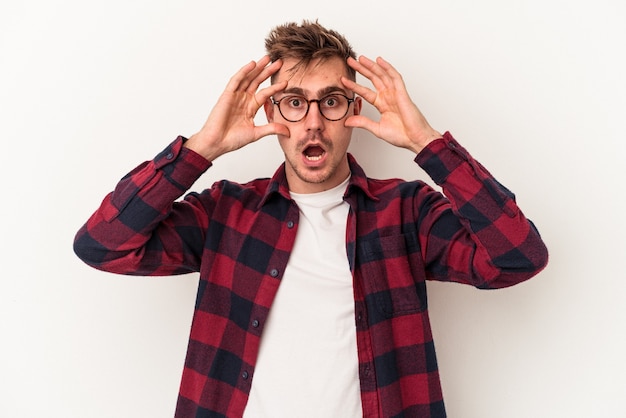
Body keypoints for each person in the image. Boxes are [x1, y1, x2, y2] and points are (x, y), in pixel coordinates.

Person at [74, 20, 548, 418]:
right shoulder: (227, 212)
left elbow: (518, 257)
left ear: (354, 110)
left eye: (332, 101)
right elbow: (103, 244)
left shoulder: (407, 212)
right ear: (272, 110)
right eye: (295, 102)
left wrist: (428, 144)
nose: (314, 122)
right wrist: (203, 148)